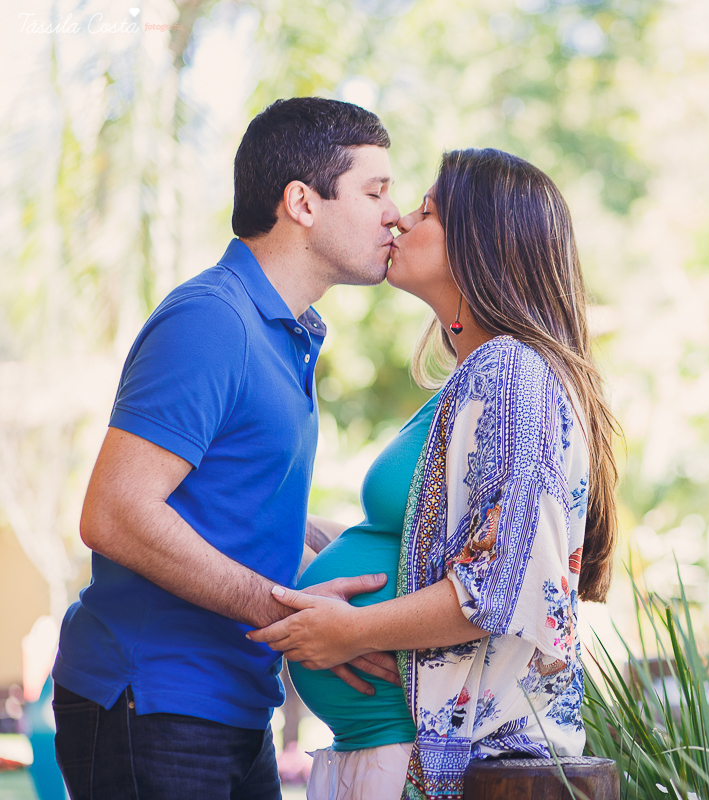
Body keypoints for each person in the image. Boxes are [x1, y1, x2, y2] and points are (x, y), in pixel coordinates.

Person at [51, 97, 407, 800]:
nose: (394, 214)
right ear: (302, 202)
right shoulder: (213, 320)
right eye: (375, 192)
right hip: (152, 699)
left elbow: (230, 509)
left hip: (235, 711)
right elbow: (115, 513)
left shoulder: (288, 334)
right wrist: (287, 614)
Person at [249, 148, 620, 800]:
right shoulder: (484, 378)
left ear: (481, 243)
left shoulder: (509, 371)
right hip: (398, 751)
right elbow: (454, 544)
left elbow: (501, 582)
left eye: (427, 211)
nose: (398, 221)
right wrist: (321, 538)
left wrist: (350, 630)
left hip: (440, 761)